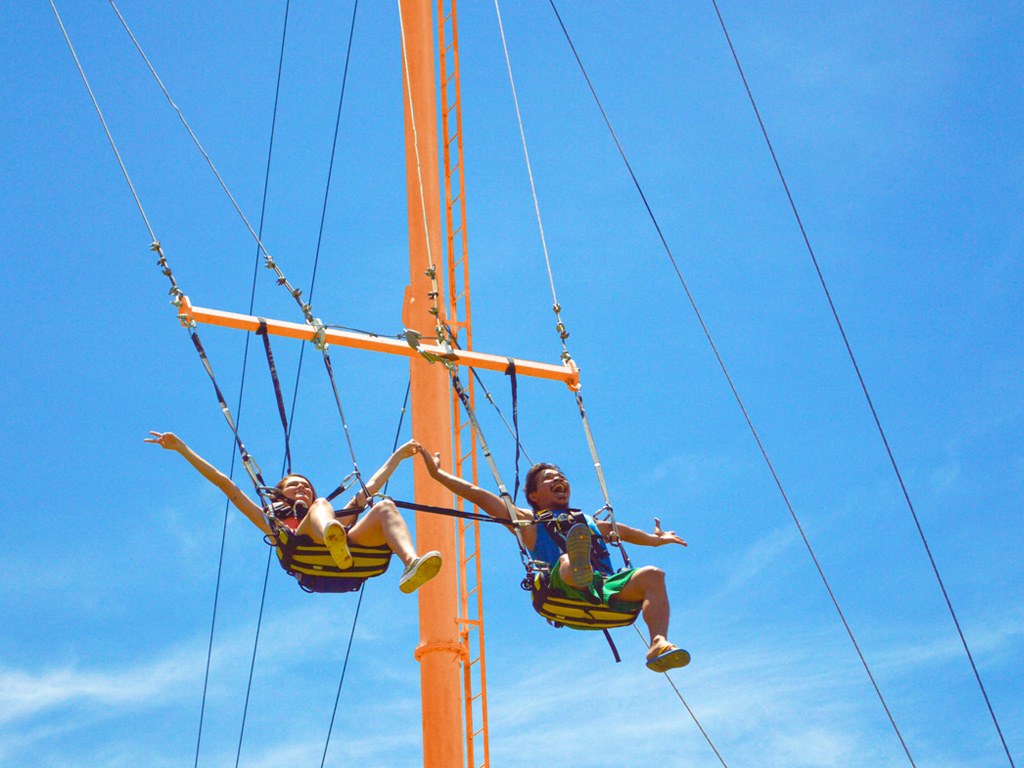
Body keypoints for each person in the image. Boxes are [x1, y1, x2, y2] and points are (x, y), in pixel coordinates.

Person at [415, 446, 689, 671]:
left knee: (654, 574)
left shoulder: (590, 522)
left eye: (561, 477)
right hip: (562, 587)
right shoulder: (528, 522)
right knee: (569, 559)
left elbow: (625, 533)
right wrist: (439, 475)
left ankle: (658, 643)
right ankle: (580, 574)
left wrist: (655, 540)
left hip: (605, 590)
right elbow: (480, 496)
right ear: (534, 495)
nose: (558, 479)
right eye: (548, 478)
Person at [146, 431, 442, 593]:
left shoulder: (327, 510)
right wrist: (183, 449)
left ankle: (411, 563)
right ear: (280, 493)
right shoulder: (276, 524)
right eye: (293, 485)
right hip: (305, 553)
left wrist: (398, 457)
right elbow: (229, 487)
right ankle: (332, 541)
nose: (301, 488)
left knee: (383, 505)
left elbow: (370, 487)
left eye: (305, 486)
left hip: (350, 555)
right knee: (323, 506)